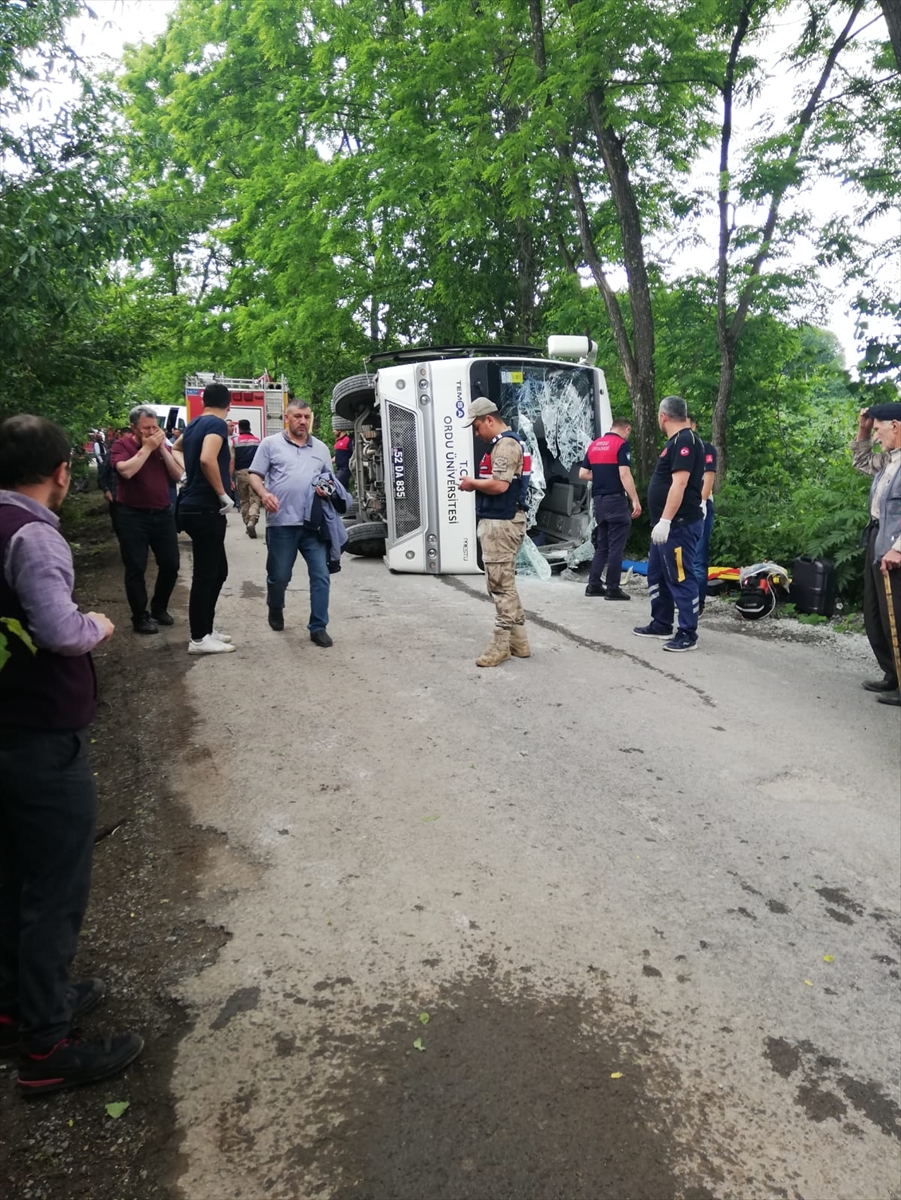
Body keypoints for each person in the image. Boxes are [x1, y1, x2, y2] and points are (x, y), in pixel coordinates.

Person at [0, 414, 143, 1094]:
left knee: (14, 876)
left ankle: (17, 1001)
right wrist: (100, 624)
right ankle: (48, 1046)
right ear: (62, 472)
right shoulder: (33, 534)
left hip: (7, 729)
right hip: (40, 736)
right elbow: (59, 630)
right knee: (55, 892)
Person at [248, 399, 350, 645]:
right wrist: (264, 495)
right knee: (279, 576)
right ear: (287, 417)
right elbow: (254, 475)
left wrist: (327, 489)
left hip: (313, 524)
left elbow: (329, 480)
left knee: (321, 575)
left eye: (306, 417)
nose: (303, 421)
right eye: (298, 417)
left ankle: (318, 627)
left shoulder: (322, 448)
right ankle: (275, 605)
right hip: (281, 523)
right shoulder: (270, 444)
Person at [458, 397, 531, 666]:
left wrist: (471, 483)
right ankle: (519, 642)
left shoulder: (505, 445)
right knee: (505, 583)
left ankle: (501, 646)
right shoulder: (504, 444)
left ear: (489, 419)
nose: (477, 434)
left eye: (477, 427)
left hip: (501, 522)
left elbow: (500, 485)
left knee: (500, 586)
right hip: (501, 520)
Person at [633, 395, 705, 652]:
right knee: (657, 574)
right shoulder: (674, 442)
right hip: (663, 525)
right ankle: (661, 622)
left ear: (663, 416)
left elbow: (680, 483)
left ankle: (687, 632)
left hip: (678, 524)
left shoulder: (686, 440)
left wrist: (666, 520)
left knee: (680, 576)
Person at [173, 383, 236, 656]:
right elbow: (208, 459)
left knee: (218, 571)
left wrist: (187, 475)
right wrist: (222, 493)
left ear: (203, 400)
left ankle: (206, 629)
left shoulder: (194, 424)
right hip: (205, 507)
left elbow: (176, 448)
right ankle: (199, 638)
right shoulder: (217, 425)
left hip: (191, 505)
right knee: (205, 574)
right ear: (228, 403)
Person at [109, 407, 183, 634]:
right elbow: (126, 471)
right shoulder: (121, 445)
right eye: (146, 429)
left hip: (161, 513)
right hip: (132, 515)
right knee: (136, 566)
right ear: (133, 428)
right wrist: (147, 448)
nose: (152, 432)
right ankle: (140, 616)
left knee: (171, 564)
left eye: (155, 427)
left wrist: (161, 449)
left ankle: (159, 607)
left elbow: (178, 475)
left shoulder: (161, 446)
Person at [852, 402, 901, 706]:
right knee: (875, 613)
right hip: (877, 538)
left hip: (895, 547)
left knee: (898, 615)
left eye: (880, 429)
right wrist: (863, 430)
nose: (877, 436)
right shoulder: (890, 459)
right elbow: (861, 461)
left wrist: (898, 548)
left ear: (896, 425)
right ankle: (892, 673)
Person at [578, 417, 641, 600]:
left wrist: (600, 476)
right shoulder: (621, 445)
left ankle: (594, 585)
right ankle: (613, 589)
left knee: (602, 545)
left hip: (599, 501)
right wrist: (635, 500)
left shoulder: (595, 445)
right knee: (616, 547)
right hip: (615, 500)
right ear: (626, 429)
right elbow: (624, 473)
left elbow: (582, 473)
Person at [689, 416, 717, 615]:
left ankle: (697, 604)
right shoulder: (676, 447)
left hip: (700, 507)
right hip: (680, 508)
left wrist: (703, 501)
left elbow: (709, 476)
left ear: (694, 425)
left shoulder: (705, 448)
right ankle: (683, 600)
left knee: (698, 558)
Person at [233, 419, 262, 538]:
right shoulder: (257, 441)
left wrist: (230, 477)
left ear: (239, 428)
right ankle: (252, 520)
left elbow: (231, 460)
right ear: (249, 427)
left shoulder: (234, 441)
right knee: (255, 499)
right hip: (255, 473)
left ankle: (247, 522)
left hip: (241, 473)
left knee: (244, 499)